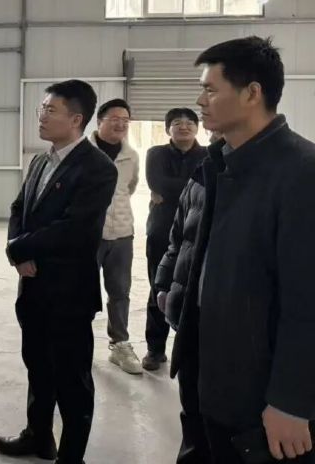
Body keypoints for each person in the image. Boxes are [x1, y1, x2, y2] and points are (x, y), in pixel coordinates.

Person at [172, 36, 315, 463]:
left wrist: (291, 400)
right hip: (208, 373)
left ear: (252, 93)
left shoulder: (301, 172)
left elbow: (307, 300)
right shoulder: (219, 163)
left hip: (260, 396)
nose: (200, 101)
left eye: (210, 89)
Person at [0, 80, 117, 464]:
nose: (42, 117)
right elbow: (18, 209)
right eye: (41, 109)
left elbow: (76, 229)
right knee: (38, 366)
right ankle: (39, 436)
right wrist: (17, 251)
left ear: (76, 119)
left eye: (51, 110)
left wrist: (21, 247)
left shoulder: (98, 167)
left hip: (69, 293)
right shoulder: (40, 161)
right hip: (32, 285)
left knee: (71, 379)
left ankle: (71, 456)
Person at [154, 130, 220, 464]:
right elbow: (178, 239)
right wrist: (164, 284)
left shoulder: (280, 175)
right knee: (192, 407)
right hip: (191, 316)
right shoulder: (201, 176)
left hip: (234, 326)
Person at [142, 108, 206, 371]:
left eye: (189, 122)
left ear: (197, 127)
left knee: (194, 290)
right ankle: (155, 349)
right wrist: (191, 186)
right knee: (159, 286)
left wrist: (171, 190)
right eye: (177, 123)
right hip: (161, 231)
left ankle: (189, 348)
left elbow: (206, 187)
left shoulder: (207, 155)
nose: (184, 126)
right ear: (168, 128)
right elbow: (157, 182)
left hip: (196, 233)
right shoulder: (155, 153)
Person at [90, 98, 142, 375]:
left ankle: (119, 344)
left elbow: (129, 188)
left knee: (120, 292)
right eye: (114, 119)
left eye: (125, 120)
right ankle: (79, 343)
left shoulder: (131, 155)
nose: (120, 124)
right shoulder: (83, 152)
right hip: (89, 236)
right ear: (100, 121)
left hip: (122, 234)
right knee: (82, 292)